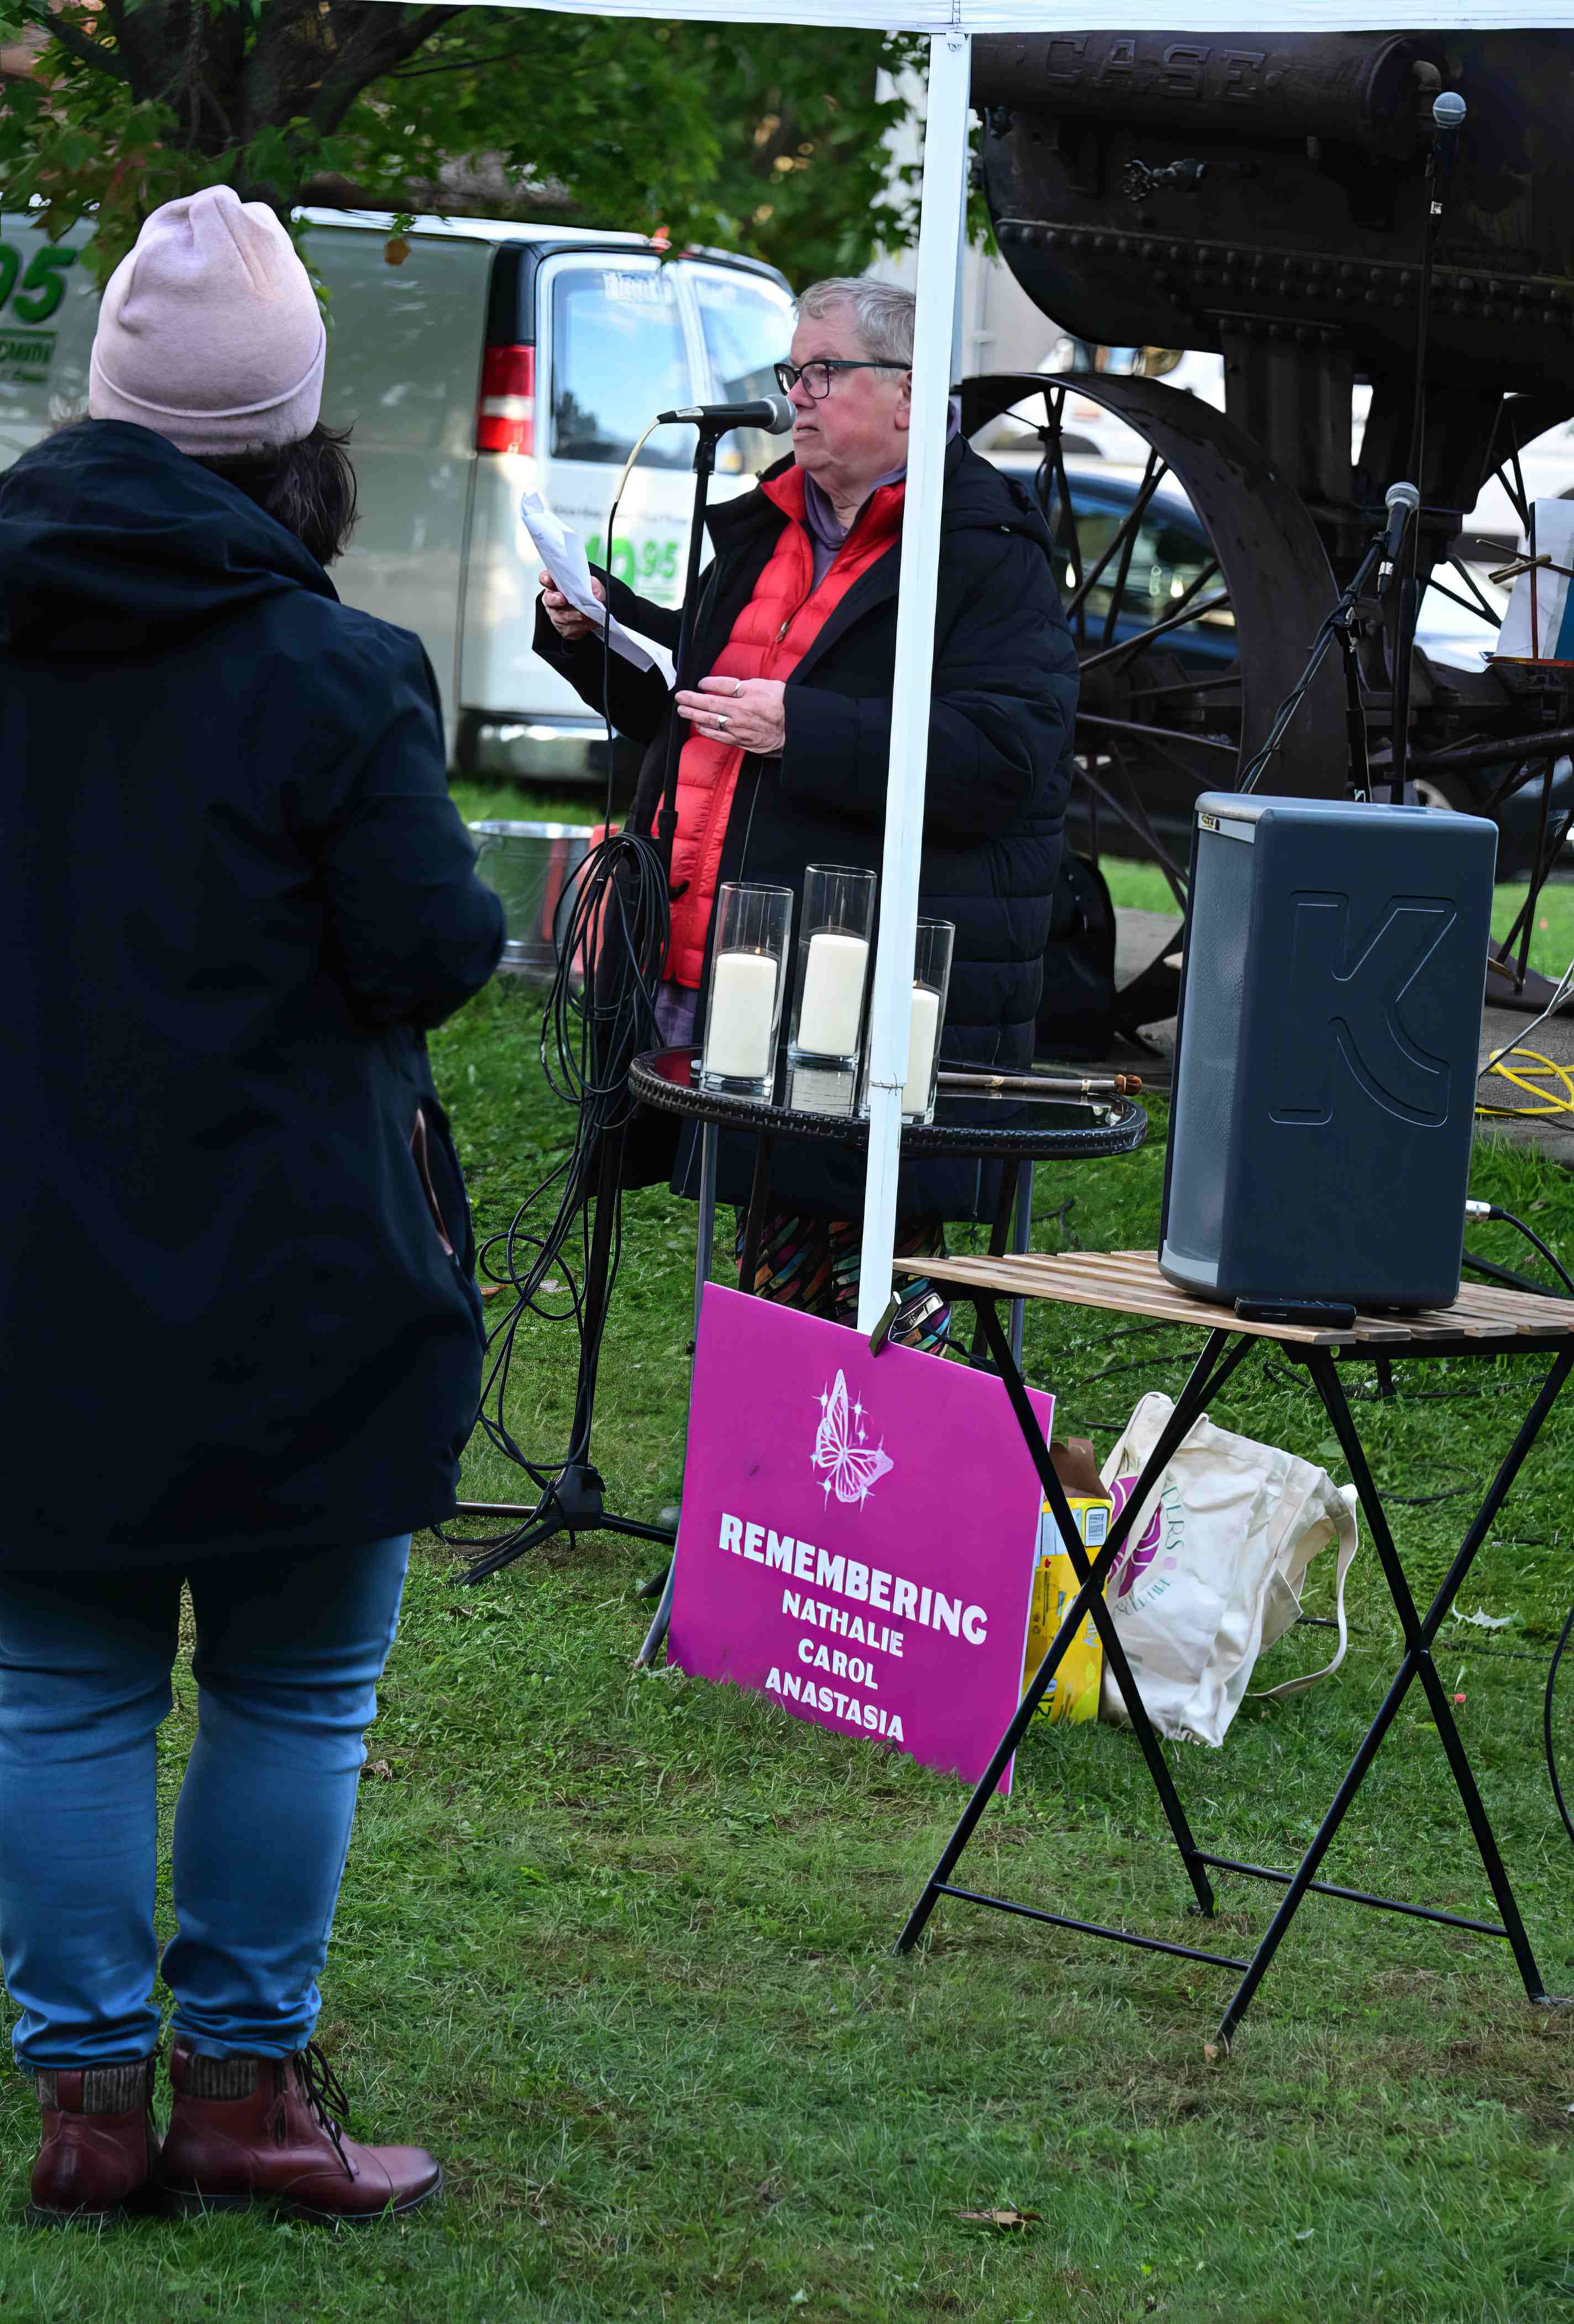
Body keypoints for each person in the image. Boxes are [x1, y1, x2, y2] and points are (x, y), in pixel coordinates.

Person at [0, 186, 504, 2223]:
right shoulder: (335, 670)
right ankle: (235, 2089)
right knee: (294, 1687)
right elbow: (429, 948)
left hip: (30, 1249)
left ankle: (88, 2110)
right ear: (304, 441)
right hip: (295, 1269)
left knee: (54, 1685)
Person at [536, 277, 1078, 1343]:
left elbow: (1007, 758)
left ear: (910, 399)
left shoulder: (979, 550)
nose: (800, 394)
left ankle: (888, 1482)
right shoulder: (769, 527)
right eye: (794, 372)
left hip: (873, 977)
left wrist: (807, 730)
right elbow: (700, 703)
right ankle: (783, 1482)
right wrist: (600, 631)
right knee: (777, 1263)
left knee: (874, 1282)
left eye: (825, 372)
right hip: (736, 957)